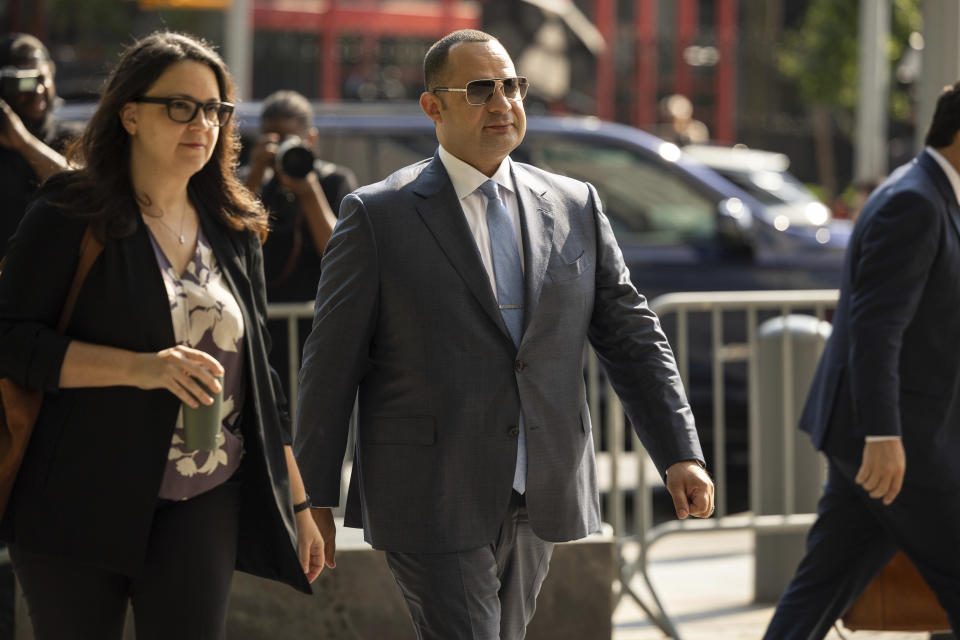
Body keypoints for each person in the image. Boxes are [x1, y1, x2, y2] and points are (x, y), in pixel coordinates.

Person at [294, 29, 714, 640]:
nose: (503, 104)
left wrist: (680, 451)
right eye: (480, 89)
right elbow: (329, 365)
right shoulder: (378, 216)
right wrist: (314, 499)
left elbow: (632, 335)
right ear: (432, 107)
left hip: (539, 487)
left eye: (512, 87)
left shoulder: (574, 204)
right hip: (429, 492)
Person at [0, 31, 330, 640]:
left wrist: (301, 505)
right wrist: (141, 368)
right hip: (77, 493)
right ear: (129, 113)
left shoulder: (234, 226)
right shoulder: (69, 212)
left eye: (214, 110)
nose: (201, 123)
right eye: (181, 106)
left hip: (204, 495)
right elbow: (13, 342)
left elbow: (262, 379)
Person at [762, 82, 960, 638]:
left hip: (883, 441)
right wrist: (882, 435)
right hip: (898, 446)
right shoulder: (915, 202)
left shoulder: (930, 195)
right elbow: (877, 329)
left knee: (822, 587)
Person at [243, 90, 357, 394]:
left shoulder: (333, 180)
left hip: (314, 329)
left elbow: (341, 253)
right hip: (261, 327)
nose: (283, 149)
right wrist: (254, 176)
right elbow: (227, 240)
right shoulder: (250, 183)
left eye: (291, 140)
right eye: (274, 140)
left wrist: (309, 192)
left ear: (311, 139)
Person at [0, 32, 73, 257]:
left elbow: (86, 192)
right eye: (25, 80)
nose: (38, 90)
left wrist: (25, 143)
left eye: (42, 78)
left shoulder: (70, 137)